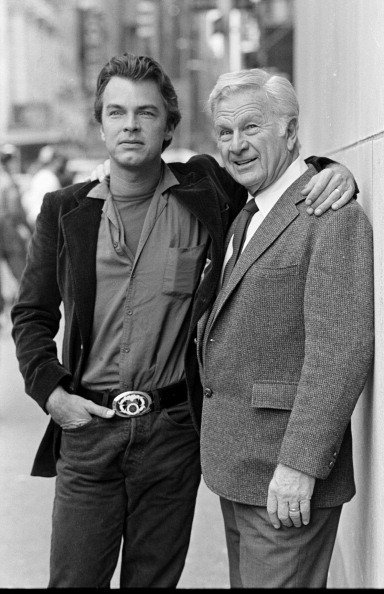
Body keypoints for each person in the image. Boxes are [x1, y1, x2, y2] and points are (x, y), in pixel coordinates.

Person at [11, 52, 357, 589]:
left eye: (147, 113)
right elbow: (31, 314)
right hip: (87, 429)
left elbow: (275, 182)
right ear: (99, 124)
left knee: (154, 581)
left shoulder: (207, 192)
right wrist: (50, 393)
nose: (131, 125)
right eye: (117, 112)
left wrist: (334, 173)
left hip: (171, 434)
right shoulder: (64, 209)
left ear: (170, 126)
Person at [197, 68, 374, 588]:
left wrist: (300, 466)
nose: (236, 145)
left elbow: (340, 350)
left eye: (251, 128)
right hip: (241, 473)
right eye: (225, 132)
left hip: (286, 482)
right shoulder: (245, 215)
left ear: (290, 132)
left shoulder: (331, 215)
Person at [0, 144, 32, 311]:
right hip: (8, 229)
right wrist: (23, 228)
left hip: (6, 228)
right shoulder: (8, 181)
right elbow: (13, 210)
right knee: (20, 270)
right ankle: (26, 308)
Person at [22, 146, 66, 227]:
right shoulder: (51, 178)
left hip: (33, 218)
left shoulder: (38, 176)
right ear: (55, 161)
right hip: (44, 220)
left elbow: (26, 200)